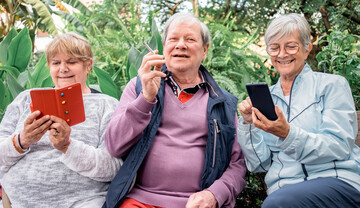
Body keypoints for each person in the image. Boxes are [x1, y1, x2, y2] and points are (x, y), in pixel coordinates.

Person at [103, 13, 246, 208]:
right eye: (173, 39)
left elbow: (237, 164)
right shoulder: (138, 87)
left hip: (195, 204)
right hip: (141, 200)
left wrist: (214, 194)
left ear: (205, 50)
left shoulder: (223, 103)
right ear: (164, 47)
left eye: (190, 39)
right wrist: (146, 99)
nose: (180, 45)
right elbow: (114, 145)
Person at [237, 13, 360, 207]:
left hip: (337, 181)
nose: (282, 54)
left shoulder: (332, 85)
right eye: (275, 47)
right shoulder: (267, 98)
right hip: (284, 189)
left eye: (291, 46)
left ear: (306, 48)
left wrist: (288, 134)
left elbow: (338, 145)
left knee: (276, 204)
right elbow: (260, 164)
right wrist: (248, 124)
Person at [0, 32, 122, 208]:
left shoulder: (107, 106)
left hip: (81, 202)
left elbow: (113, 167)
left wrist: (67, 146)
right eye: (56, 63)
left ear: (88, 66)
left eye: (72, 62)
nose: (63, 68)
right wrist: (22, 140)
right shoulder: (25, 99)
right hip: (17, 202)